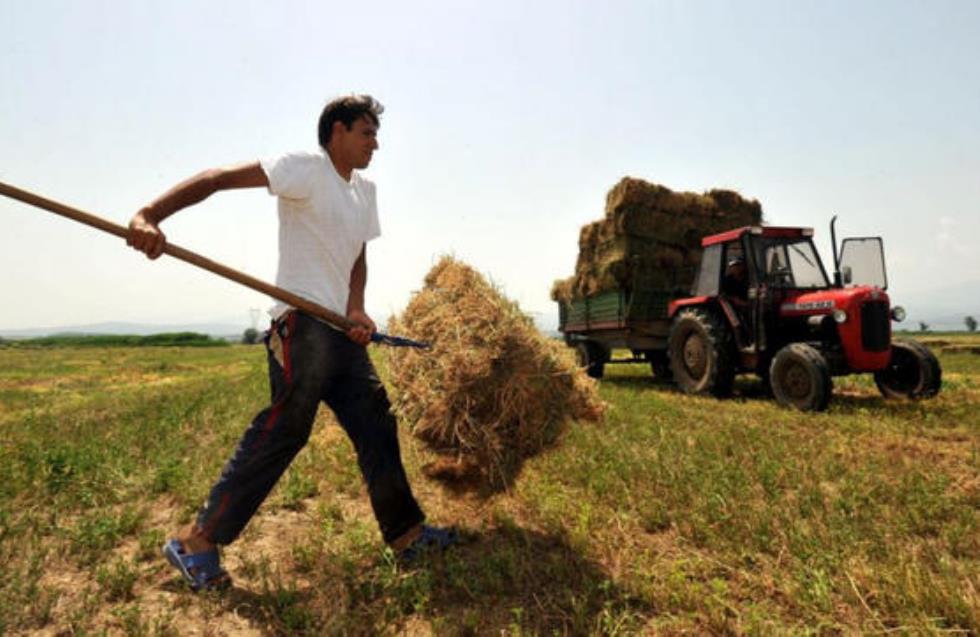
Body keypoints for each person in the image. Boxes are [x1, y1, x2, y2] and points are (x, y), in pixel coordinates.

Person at [128, 95, 456, 591]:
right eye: (367, 132)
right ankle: (196, 542)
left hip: (341, 331)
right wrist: (150, 214)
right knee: (287, 427)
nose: (376, 143)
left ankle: (407, 535)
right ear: (337, 131)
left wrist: (356, 308)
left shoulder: (365, 191)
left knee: (376, 421)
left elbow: (357, 256)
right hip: (300, 323)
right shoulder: (305, 169)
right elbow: (217, 178)